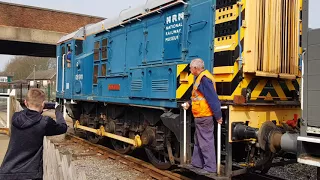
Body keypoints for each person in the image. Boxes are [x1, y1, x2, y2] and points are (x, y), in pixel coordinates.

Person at [0, 88, 67, 180]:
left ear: (25, 102)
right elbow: (63, 127)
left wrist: (38, 111)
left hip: (6, 172)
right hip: (29, 174)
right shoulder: (44, 122)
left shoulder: (16, 117)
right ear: (43, 104)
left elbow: (28, 115)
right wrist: (58, 112)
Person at [183, 58, 223, 175]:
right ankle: (197, 163)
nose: (190, 70)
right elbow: (197, 96)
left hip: (204, 115)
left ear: (196, 68)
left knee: (206, 141)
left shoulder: (204, 79)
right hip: (200, 115)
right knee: (199, 141)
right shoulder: (200, 78)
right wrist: (189, 103)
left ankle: (210, 167)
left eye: (190, 68)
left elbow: (213, 99)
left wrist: (218, 116)